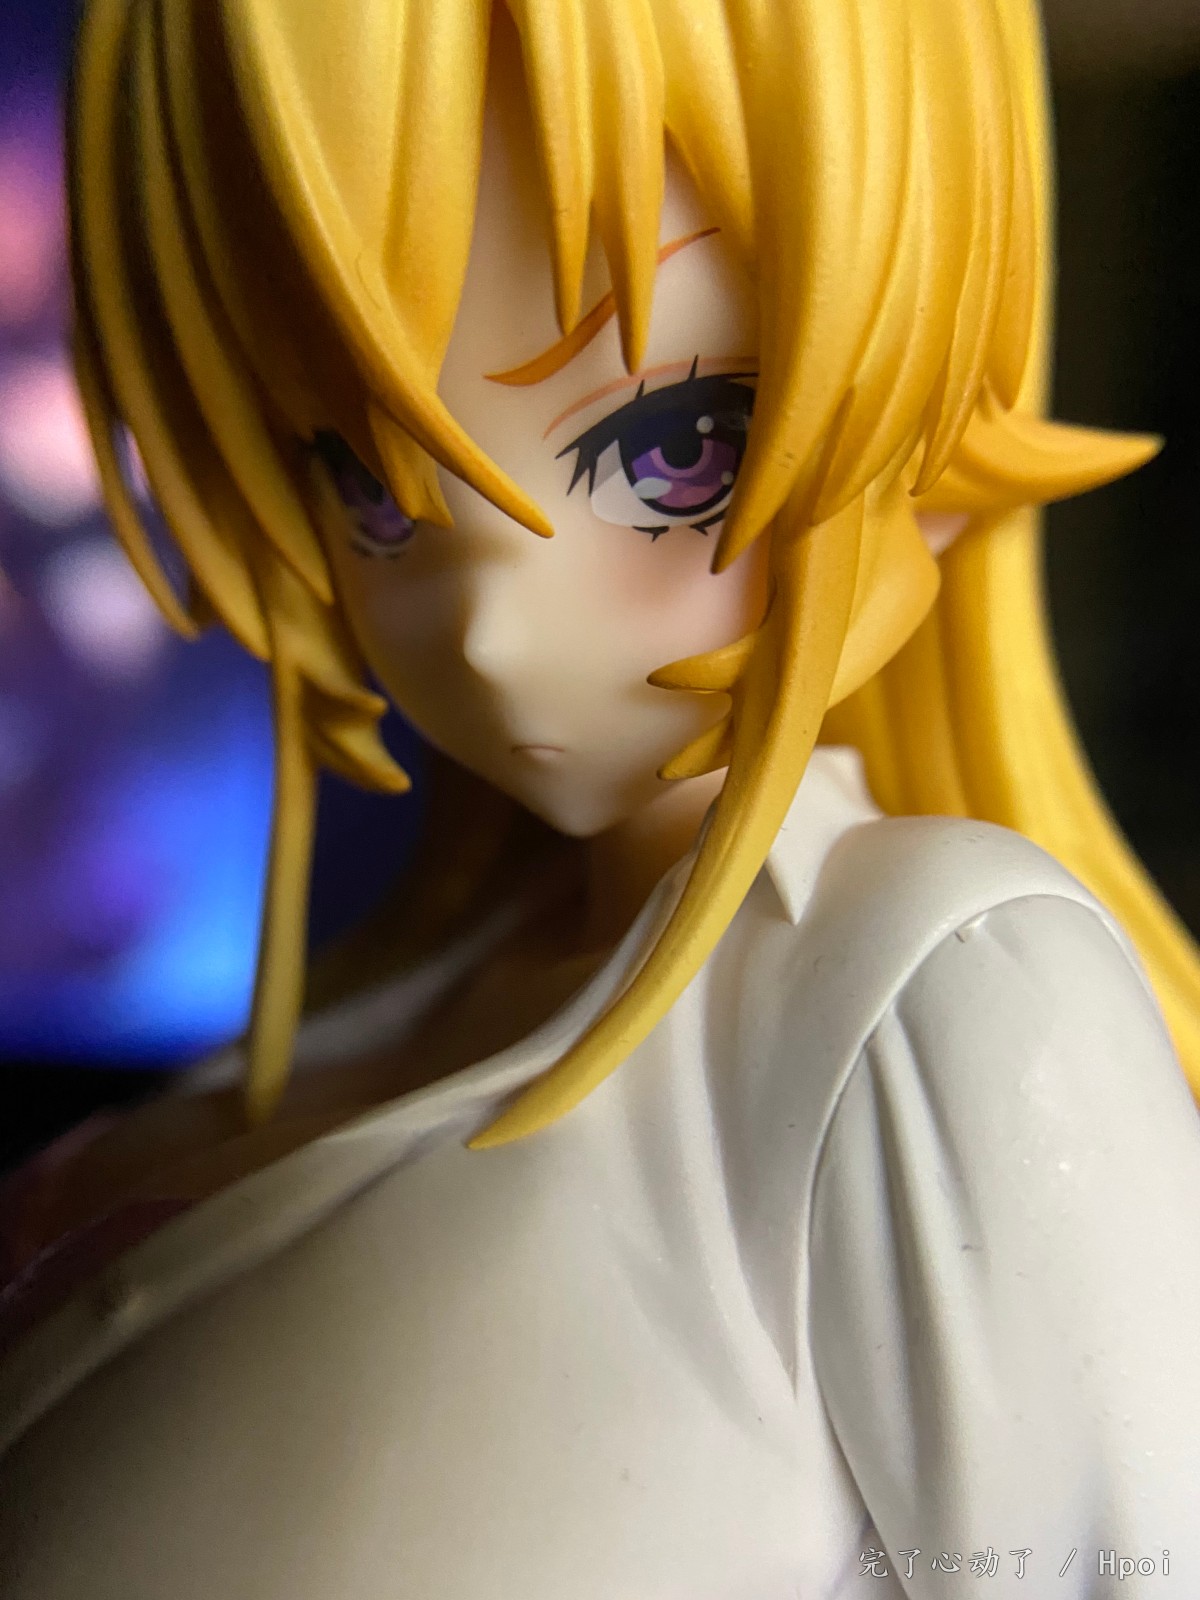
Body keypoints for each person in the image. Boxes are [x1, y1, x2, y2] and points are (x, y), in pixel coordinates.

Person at [2, 0, 1199, 1593]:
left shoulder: (931, 990)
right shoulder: (362, 1015)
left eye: (679, 449)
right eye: (361, 481)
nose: (488, 632)